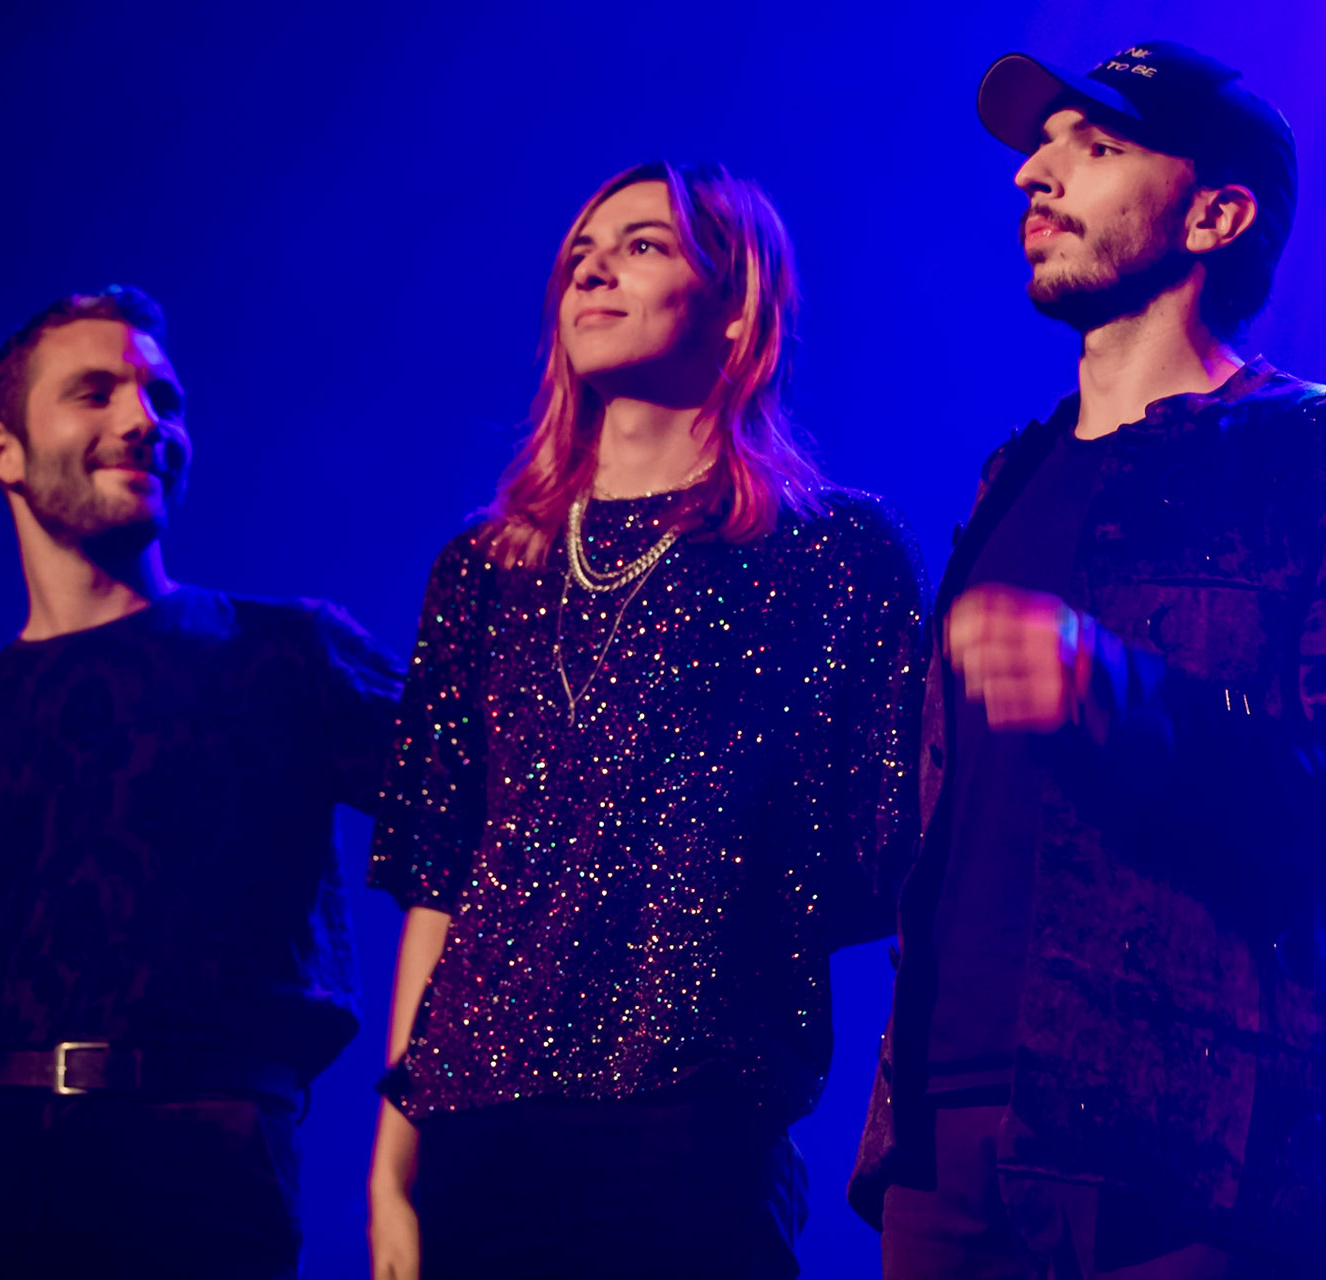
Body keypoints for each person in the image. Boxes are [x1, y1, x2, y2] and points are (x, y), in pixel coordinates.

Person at [849, 42, 1326, 1280]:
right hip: (941, 1148)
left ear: (1217, 212)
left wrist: (1115, 692)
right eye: (1041, 144)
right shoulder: (1007, 477)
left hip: (1183, 1158)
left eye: (1100, 144)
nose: (1037, 171)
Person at [364, 161, 927, 1280]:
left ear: (735, 306)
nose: (595, 269)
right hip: (480, 1122)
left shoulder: (831, 553)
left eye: (643, 245)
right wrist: (392, 1164)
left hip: (694, 1127)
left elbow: (906, 852)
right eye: (581, 253)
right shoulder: (481, 569)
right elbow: (442, 878)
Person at [0, 286, 399, 1280]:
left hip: (199, 1175)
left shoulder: (287, 655)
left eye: (164, 397)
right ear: (3, 450)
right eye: (96, 391)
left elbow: (489, 816)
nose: (142, 420)